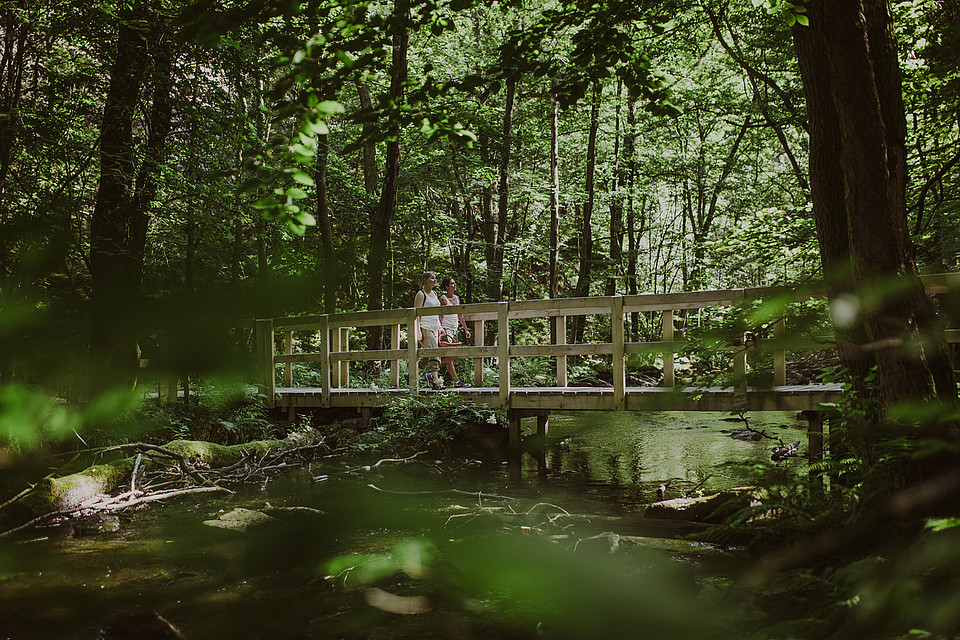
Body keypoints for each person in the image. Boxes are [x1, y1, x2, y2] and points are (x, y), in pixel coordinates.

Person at [438, 276, 472, 387]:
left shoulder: (457, 298)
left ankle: (432, 374)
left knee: (448, 356)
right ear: (447, 287)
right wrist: (440, 329)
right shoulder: (443, 299)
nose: (455, 285)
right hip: (445, 329)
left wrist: (466, 330)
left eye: (455, 283)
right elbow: (440, 315)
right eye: (452, 283)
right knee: (449, 355)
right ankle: (457, 381)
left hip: (454, 329)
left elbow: (460, 315)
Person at [413, 271, 444, 390]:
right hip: (425, 327)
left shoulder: (435, 294)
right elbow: (416, 314)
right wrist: (418, 331)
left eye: (435, 278)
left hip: (434, 327)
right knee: (434, 353)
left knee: (427, 356)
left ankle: (411, 375)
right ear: (425, 280)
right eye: (432, 278)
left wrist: (440, 327)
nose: (435, 280)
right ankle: (436, 382)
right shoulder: (421, 295)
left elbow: (436, 313)